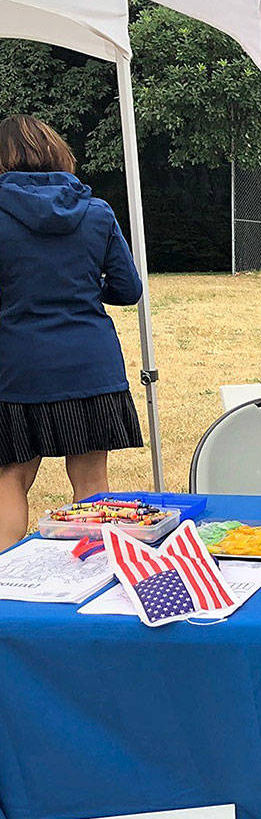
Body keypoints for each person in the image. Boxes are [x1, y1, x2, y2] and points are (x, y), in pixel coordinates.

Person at [0, 115, 144, 550]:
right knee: (90, 479)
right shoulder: (96, 212)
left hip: (16, 368)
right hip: (90, 366)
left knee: (11, 475)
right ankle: (91, 578)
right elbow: (127, 288)